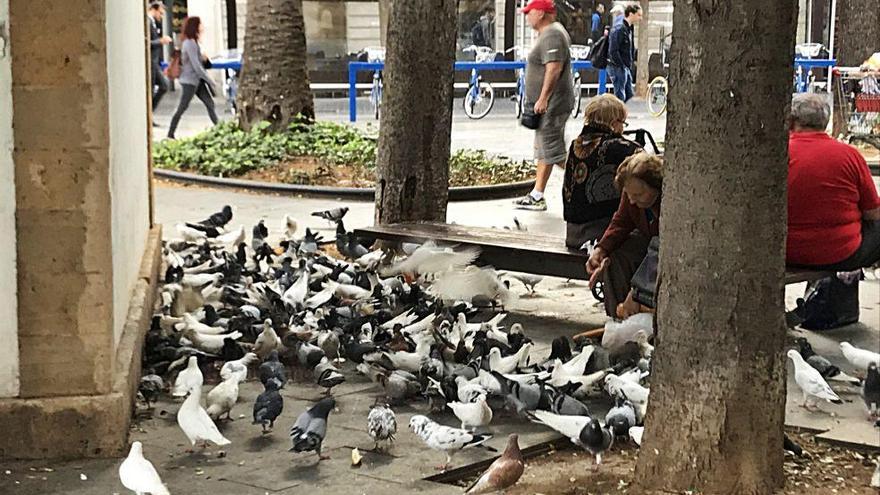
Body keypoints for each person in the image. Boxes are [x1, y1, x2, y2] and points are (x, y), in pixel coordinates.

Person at [787, 93, 880, 270]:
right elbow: (873, 213)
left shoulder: (778, 155)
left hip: (786, 252)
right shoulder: (849, 155)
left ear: (791, 121)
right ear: (825, 121)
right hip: (839, 253)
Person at [513, 0, 575, 211]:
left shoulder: (552, 34)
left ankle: (585, 179)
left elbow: (554, 68)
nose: (527, 16)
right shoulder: (549, 34)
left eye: (529, 12)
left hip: (552, 104)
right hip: (548, 103)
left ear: (540, 13)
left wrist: (543, 98)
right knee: (544, 148)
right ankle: (537, 194)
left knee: (553, 149)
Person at [585, 152, 663, 318]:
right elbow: (621, 222)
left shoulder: (667, 200)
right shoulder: (630, 197)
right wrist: (601, 250)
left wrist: (637, 292)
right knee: (616, 258)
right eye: (629, 194)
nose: (633, 201)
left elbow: (659, 248)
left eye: (639, 195)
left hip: (663, 249)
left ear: (654, 186)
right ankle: (618, 317)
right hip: (649, 243)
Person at [562, 94, 642, 249]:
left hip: (573, 233)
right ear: (613, 124)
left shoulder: (575, 145)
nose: (623, 128)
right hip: (600, 234)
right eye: (622, 123)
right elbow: (649, 169)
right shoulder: (621, 148)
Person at [167, 16, 219, 140]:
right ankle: (170, 133)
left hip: (196, 80)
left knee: (210, 103)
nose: (202, 27)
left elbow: (195, 61)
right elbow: (196, 66)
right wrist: (210, 81)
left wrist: (203, 58)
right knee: (182, 107)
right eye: (200, 24)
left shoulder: (192, 43)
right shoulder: (190, 43)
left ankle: (219, 127)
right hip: (189, 81)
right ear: (195, 27)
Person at [607, 4, 641, 103]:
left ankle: (618, 111)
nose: (640, 18)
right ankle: (616, 113)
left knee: (627, 92)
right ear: (631, 14)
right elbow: (613, 49)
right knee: (620, 93)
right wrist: (621, 64)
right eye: (638, 15)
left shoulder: (628, 28)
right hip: (618, 65)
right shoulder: (619, 28)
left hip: (624, 65)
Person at [148, 1, 172, 117]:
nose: (161, 17)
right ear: (154, 9)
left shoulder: (153, 23)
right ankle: (149, 114)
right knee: (153, 88)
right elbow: (146, 42)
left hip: (155, 62)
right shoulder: (148, 22)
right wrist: (160, 41)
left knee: (163, 85)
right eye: (160, 14)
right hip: (151, 62)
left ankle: (150, 112)